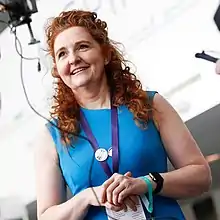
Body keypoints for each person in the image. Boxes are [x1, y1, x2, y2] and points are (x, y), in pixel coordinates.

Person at [35, 10, 212, 220]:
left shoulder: (150, 104)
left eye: (82, 46)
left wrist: (146, 183)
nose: (73, 59)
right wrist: (86, 197)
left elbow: (201, 175)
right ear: (58, 70)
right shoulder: (53, 135)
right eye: (62, 54)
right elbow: (46, 216)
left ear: (106, 54)